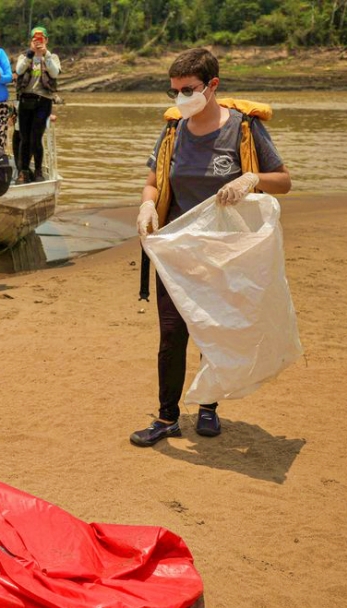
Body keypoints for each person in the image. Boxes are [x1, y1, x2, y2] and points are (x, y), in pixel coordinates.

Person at [130, 48, 291, 447]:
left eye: (188, 89)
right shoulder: (172, 131)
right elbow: (153, 180)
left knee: (213, 329)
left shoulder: (243, 129)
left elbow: (284, 181)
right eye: (174, 92)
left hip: (224, 252)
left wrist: (250, 179)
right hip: (177, 250)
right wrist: (147, 203)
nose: (181, 98)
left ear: (212, 85)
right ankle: (167, 418)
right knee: (172, 333)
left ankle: (208, 408)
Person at [14, 27, 61, 183]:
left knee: (36, 137)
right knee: (24, 138)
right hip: (25, 102)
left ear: (46, 40)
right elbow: (19, 70)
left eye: (41, 39)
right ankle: (23, 171)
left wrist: (45, 54)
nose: (38, 42)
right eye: (35, 39)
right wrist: (30, 54)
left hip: (43, 103)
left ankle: (39, 170)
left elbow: (54, 73)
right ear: (31, 41)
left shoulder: (52, 57)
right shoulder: (24, 56)